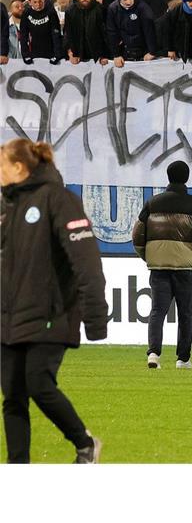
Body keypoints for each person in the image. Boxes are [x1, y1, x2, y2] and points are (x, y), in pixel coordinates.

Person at [1, 139, 107, 463]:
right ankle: (17, 469)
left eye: (2, 165)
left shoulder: (60, 200)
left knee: (38, 385)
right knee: (12, 397)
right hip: (10, 317)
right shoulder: (9, 207)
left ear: (19, 167)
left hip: (51, 313)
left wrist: (95, 317)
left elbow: (86, 260)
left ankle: (84, 442)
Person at [132, 161, 192, 370]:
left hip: (158, 267)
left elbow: (137, 234)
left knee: (157, 311)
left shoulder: (152, 203)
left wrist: (149, 256)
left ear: (168, 177)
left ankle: (153, 354)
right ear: (186, 177)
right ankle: (183, 359)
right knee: (185, 313)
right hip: (185, 267)